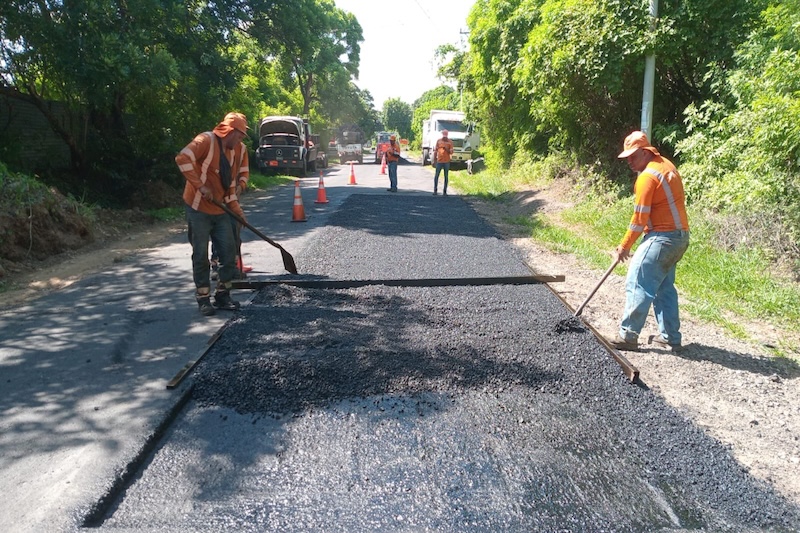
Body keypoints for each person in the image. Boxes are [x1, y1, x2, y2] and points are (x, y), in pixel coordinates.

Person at [608, 131, 690, 351]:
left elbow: (638, 219)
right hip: (680, 237)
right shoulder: (665, 166)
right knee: (664, 288)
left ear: (645, 152)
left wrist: (623, 247)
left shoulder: (647, 177)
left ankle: (628, 336)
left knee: (638, 281)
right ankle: (671, 338)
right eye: (627, 158)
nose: (629, 162)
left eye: (633, 157)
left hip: (663, 238)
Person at [176, 112, 250, 316]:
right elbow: (182, 158)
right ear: (231, 132)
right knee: (200, 254)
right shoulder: (205, 140)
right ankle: (203, 298)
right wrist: (200, 186)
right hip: (198, 209)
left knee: (228, 252)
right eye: (241, 136)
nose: (241, 141)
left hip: (220, 210)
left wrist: (239, 214)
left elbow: (230, 189)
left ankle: (222, 295)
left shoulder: (234, 153)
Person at [433, 129, 454, 195]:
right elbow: (435, 151)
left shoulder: (450, 142)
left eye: (445, 135)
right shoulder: (438, 141)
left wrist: (446, 149)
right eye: (443, 135)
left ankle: (445, 191)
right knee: (436, 176)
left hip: (446, 161)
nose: (444, 136)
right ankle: (435, 190)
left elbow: (451, 152)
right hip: (439, 161)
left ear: (447, 135)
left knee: (446, 176)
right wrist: (434, 160)